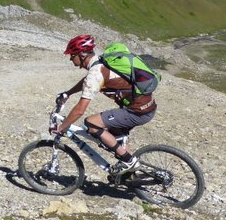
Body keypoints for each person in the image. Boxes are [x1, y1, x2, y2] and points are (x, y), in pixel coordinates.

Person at [50, 35, 157, 175]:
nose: (71, 59)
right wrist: (68, 93)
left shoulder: (95, 74)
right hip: (146, 107)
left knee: (91, 124)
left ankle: (129, 161)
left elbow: (80, 110)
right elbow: (86, 81)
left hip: (136, 112)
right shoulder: (100, 63)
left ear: (82, 55)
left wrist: (62, 128)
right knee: (112, 137)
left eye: (72, 55)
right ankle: (128, 175)